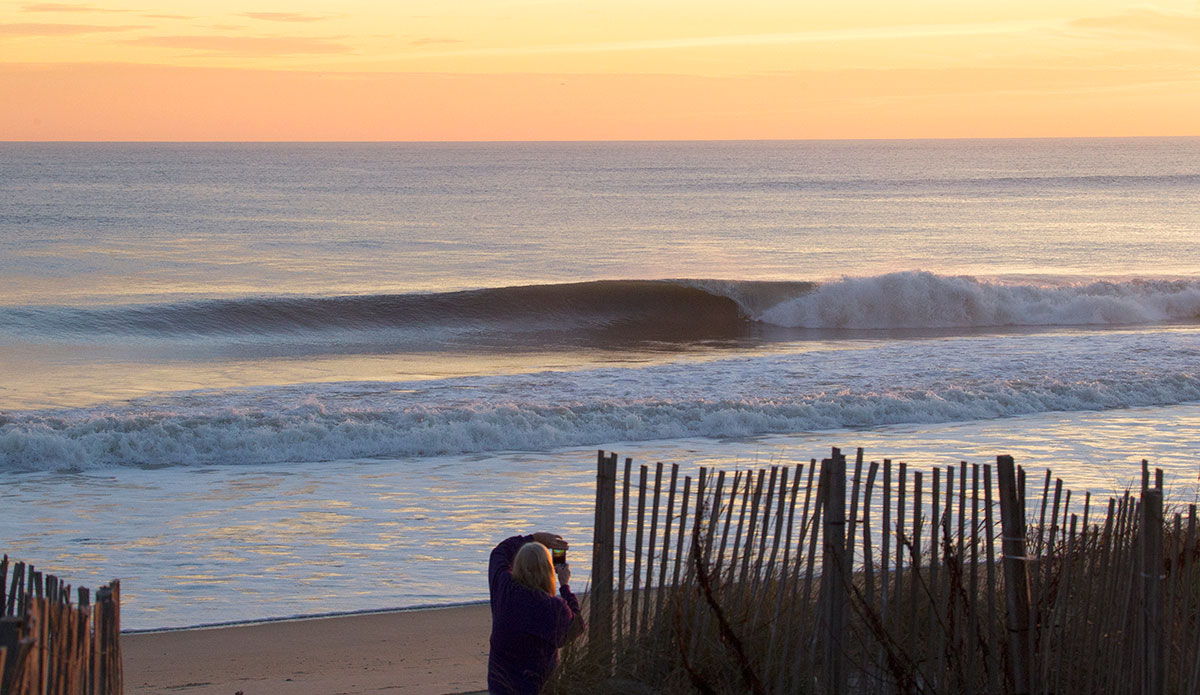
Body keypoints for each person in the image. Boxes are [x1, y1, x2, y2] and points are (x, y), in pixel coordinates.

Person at [487, 531, 584, 694]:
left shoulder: (504, 587)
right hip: (537, 689)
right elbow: (576, 627)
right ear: (548, 569)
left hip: (500, 688)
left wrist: (535, 538)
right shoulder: (552, 607)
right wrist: (565, 586)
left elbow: (500, 552)